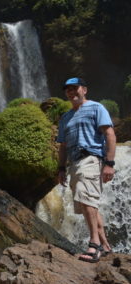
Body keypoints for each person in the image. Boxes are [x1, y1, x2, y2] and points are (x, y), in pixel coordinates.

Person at [57, 77, 116, 263]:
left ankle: (94, 244)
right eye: (68, 89)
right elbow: (63, 146)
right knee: (87, 203)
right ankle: (105, 245)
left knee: (86, 197)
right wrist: (60, 168)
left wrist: (110, 163)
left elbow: (109, 134)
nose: (71, 92)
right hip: (74, 163)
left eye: (75, 88)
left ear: (84, 90)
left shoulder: (96, 108)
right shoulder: (66, 117)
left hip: (91, 158)